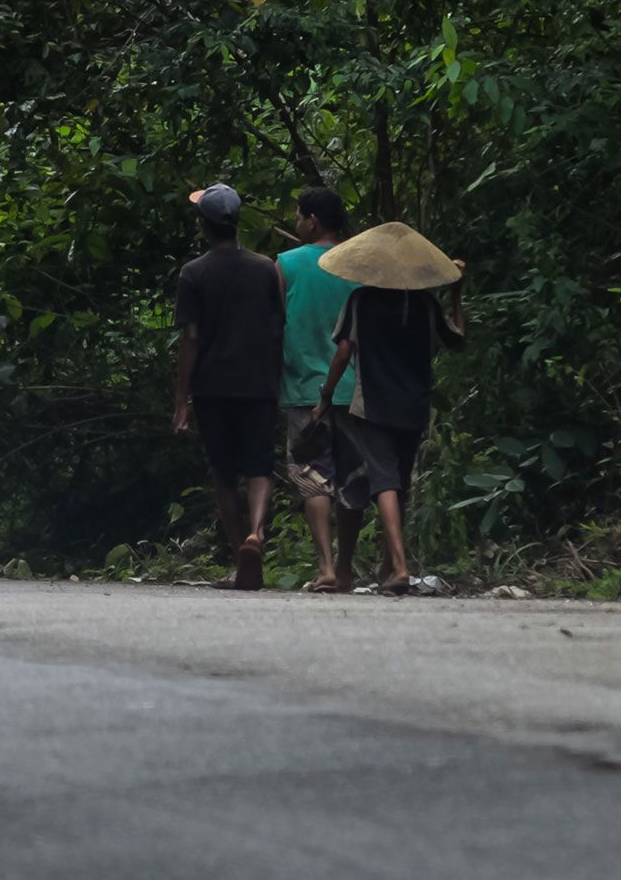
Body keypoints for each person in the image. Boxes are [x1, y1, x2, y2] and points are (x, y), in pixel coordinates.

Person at [308, 222, 467, 595]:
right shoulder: (426, 304)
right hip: (414, 403)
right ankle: (388, 566)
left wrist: (326, 397)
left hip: (374, 403)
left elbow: (344, 352)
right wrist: (457, 294)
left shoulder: (361, 301)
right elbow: (458, 341)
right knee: (398, 482)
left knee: (383, 479)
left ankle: (398, 565)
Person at [170, 183, 285, 591]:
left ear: (204, 227)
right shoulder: (266, 268)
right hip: (259, 382)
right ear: (237, 224)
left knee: (223, 472)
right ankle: (257, 532)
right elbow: (279, 325)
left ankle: (240, 553)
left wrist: (181, 400)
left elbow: (192, 338)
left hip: (213, 386)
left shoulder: (193, 273)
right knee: (259, 465)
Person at [274, 184, 360, 592]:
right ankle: (344, 567)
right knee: (350, 479)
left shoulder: (285, 264)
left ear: (312, 220)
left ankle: (325, 566)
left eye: (298, 215)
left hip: (304, 389)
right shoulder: (359, 265)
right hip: (354, 389)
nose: (295, 222)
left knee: (313, 478)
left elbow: (275, 324)